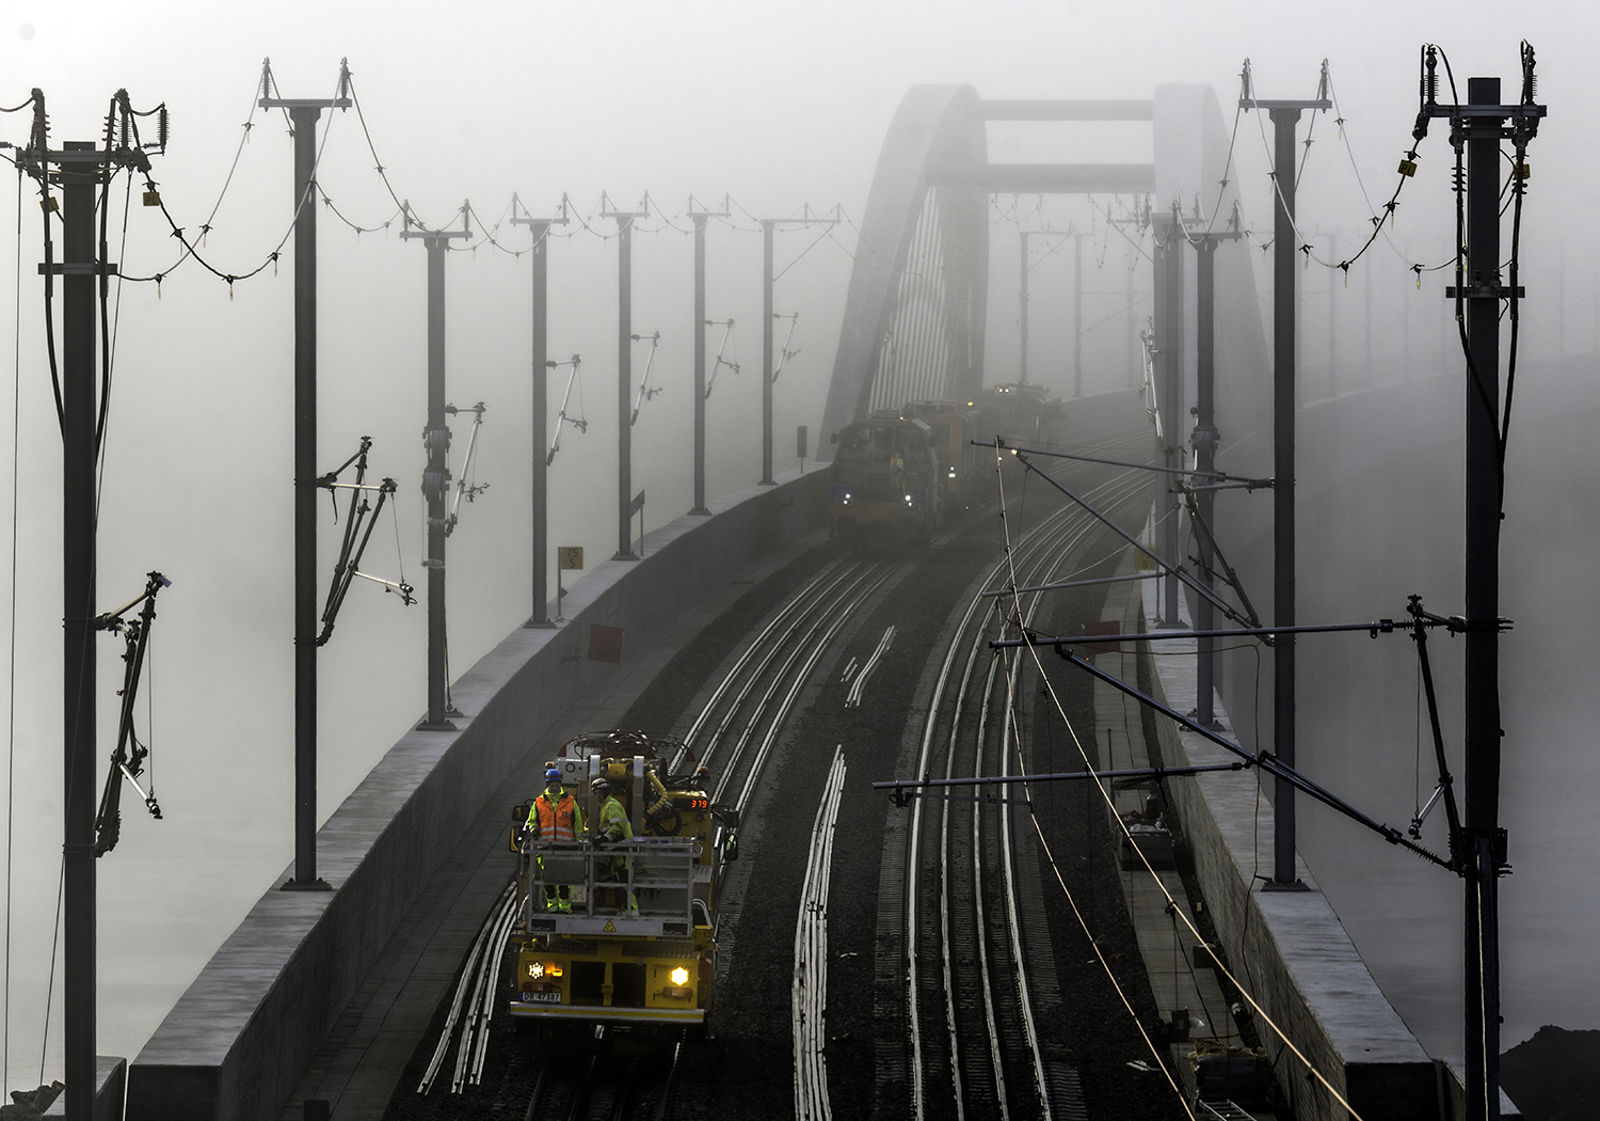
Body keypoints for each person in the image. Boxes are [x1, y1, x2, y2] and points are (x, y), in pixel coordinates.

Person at [526, 766, 584, 912]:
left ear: (561, 785)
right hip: (546, 847)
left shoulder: (570, 801)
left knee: (565, 879)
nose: (555, 788)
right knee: (548, 878)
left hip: (566, 846)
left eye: (557, 785)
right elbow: (532, 821)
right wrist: (533, 831)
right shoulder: (539, 802)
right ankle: (552, 906)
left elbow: (577, 823)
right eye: (552, 785)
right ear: (547, 785)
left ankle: (565, 907)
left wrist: (579, 841)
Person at [591, 776, 635, 912]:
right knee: (620, 884)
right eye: (594, 793)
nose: (596, 796)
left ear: (603, 792)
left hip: (623, 851)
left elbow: (617, 829)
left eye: (597, 792)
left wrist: (603, 839)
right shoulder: (605, 806)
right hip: (618, 852)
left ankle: (632, 913)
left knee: (625, 884)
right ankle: (624, 910)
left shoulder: (611, 805)